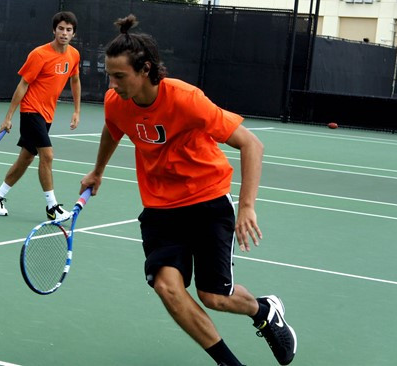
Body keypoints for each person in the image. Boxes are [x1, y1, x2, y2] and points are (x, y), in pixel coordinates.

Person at [80, 15, 297, 366]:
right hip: (160, 209)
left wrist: (246, 206)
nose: (112, 83)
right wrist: (97, 171)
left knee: (213, 296)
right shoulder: (115, 102)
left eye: (119, 76)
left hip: (207, 200)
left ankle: (264, 310)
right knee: (167, 287)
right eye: (109, 75)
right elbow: (113, 129)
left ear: (145, 69)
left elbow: (250, 143)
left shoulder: (185, 99)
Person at [0, 11, 81, 221]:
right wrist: (8, 116)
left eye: (68, 30)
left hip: (48, 114)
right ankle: (52, 207)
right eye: (61, 29)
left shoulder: (73, 55)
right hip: (31, 111)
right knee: (47, 156)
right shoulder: (39, 54)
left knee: (26, 158)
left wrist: (77, 110)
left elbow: (75, 80)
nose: (64, 33)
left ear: (73, 33)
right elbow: (23, 85)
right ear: (54, 30)